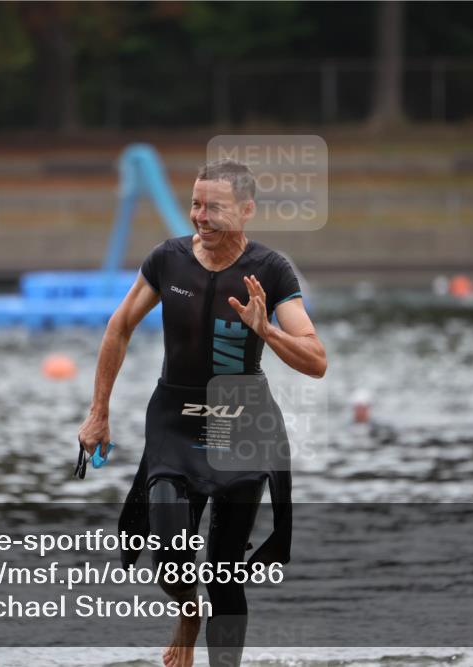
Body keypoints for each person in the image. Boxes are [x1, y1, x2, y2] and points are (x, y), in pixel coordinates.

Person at [78, 159, 327, 667]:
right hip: (174, 420)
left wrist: (268, 331)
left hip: (241, 425)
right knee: (170, 558)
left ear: (247, 210)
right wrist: (98, 412)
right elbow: (119, 327)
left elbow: (316, 360)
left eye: (213, 207)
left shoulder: (272, 270)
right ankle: (189, 612)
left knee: (225, 572)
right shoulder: (168, 260)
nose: (200, 216)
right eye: (195, 204)